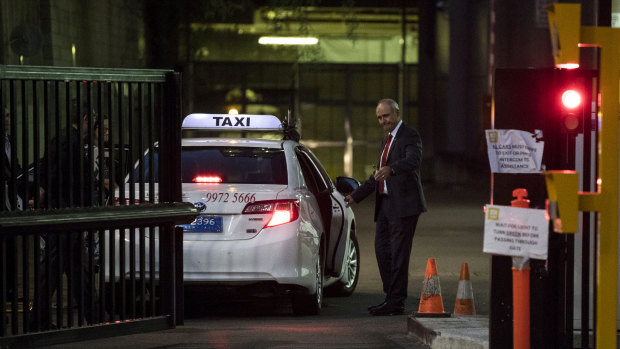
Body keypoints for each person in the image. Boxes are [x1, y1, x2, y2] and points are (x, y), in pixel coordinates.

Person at [344, 98, 427, 316]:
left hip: (405, 206)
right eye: (380, 118)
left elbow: (413, 161)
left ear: (397, 113)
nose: (383, 121)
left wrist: (392, 169)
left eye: (386, 116)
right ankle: (391, 297)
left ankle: (395, 301)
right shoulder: (387, 141)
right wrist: (355, 195)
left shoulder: (410, 135)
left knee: (399, 254)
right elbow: (378, 175)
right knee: (382, 251)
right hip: (385, 205)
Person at [31, 104, 100, 330]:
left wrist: (41, 199)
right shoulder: (73, 144)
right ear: (85, 118)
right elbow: (73, 180)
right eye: (92, 123)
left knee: (76, 269)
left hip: (62, 213)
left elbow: (45, 172)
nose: (93, 129)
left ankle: (94, 316)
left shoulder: (59, 140)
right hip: (68, 214)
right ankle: (38, 321)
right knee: (59, 269)